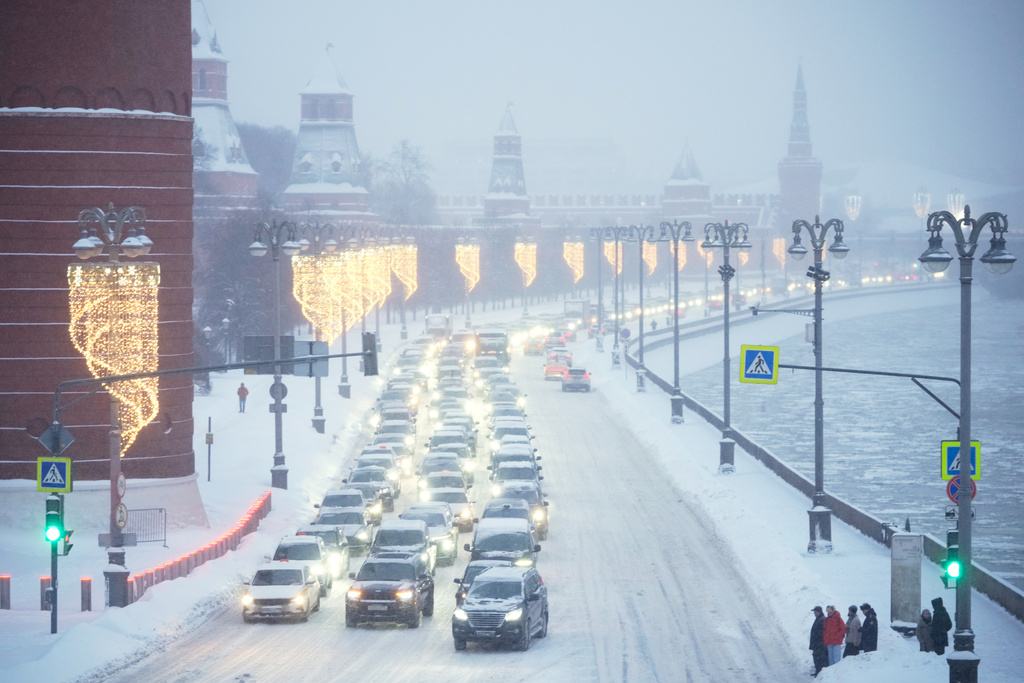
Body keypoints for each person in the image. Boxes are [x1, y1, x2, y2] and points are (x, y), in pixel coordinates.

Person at [809, 606, 828, 676]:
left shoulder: (822, 620)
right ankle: (818, 671)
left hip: (819, 643)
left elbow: (822, 632)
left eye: (815, 612)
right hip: (816, 643)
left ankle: (819, 672)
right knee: (816, 657)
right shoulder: (819, 619)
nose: (814, 613)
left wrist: (819, 641)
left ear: (819, 612)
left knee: (819, 657)